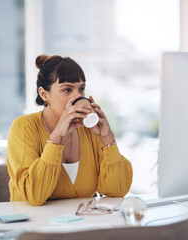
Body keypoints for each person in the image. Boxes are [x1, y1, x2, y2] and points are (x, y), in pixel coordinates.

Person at [7, 54, 133, 206]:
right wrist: (57, 136)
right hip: (34, 225)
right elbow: (35, 195)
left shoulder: (89, 129)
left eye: (81, 89)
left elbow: (117, 190)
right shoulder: (23, 127)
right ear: (44, 94)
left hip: (81, 224)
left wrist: (107, 138)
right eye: (67, 90)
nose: (78, 96)